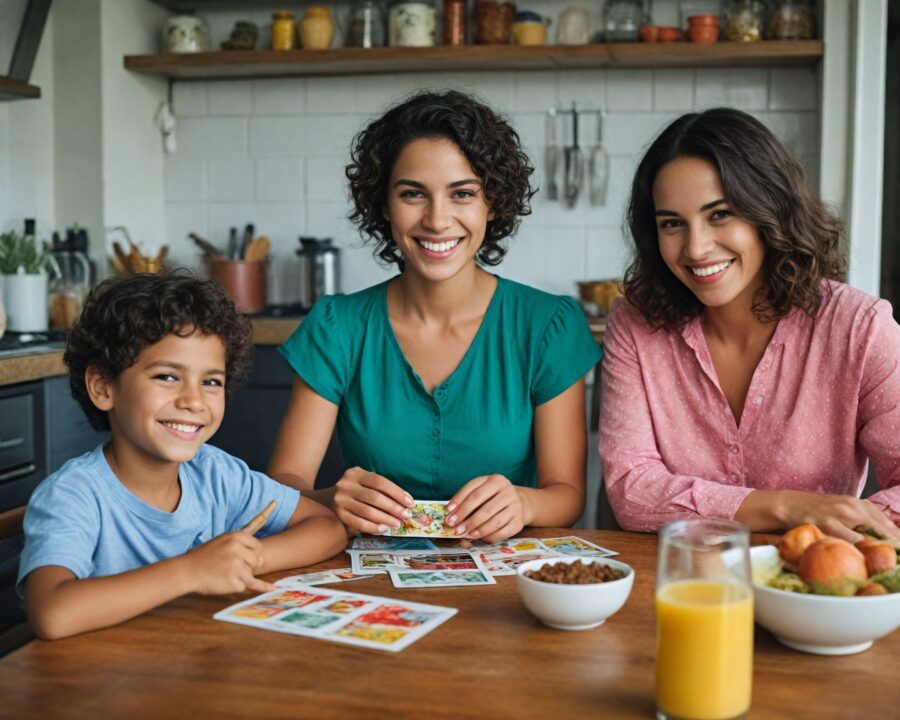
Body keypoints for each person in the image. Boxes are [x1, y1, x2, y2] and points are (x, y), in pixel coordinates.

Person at [269, 90, 602, 542]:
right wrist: (332, 499)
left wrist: (524, 503)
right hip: (371, 588)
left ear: (492, 202)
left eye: (462, 193)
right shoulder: (336, 328)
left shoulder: (548, 326)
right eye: (413, 194)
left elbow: (567, 495)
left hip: (503, 593)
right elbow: (282, 489)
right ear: (384, 205)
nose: (438, 219)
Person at [600, 107, 900, 542]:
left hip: (812, 585)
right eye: (672, 224)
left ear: (769, 208)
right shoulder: (634, 324)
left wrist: (844, 527)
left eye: (720, 214)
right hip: (682, 586)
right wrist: (787, 505)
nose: (696, 248)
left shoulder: (860, 328)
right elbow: (631, 490)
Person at [18, 272, 346, 640]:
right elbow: (51, 613)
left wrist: (242, 561)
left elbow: (327, 528)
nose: (193, 401)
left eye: (210, 382)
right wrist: (192, 571)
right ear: (103, 387)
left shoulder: (217, 474)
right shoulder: (72, 495)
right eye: (167, 377)